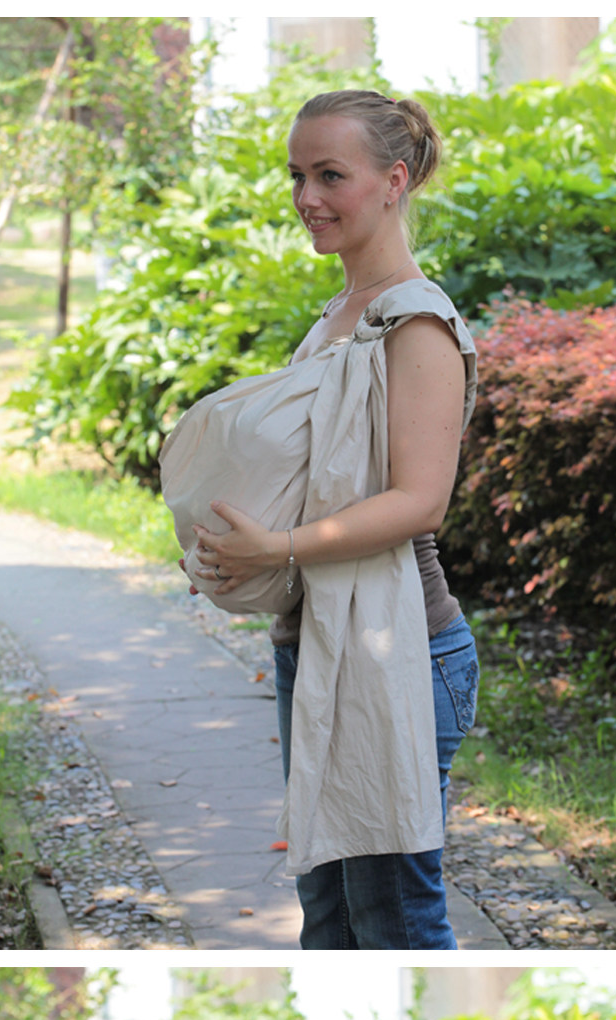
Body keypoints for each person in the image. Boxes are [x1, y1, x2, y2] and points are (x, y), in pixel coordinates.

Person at [184, 89, 480, 950]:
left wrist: (277, 546)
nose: (307, 197)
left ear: (395, 180)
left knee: (394, 918)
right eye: (297, 176)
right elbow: (317, 480)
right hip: (317, 642)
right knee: (329, 914)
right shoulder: (338, 316)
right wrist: (233, 552)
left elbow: (420, 500)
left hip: (400, 650)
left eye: (330, 175)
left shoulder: (416, 324)